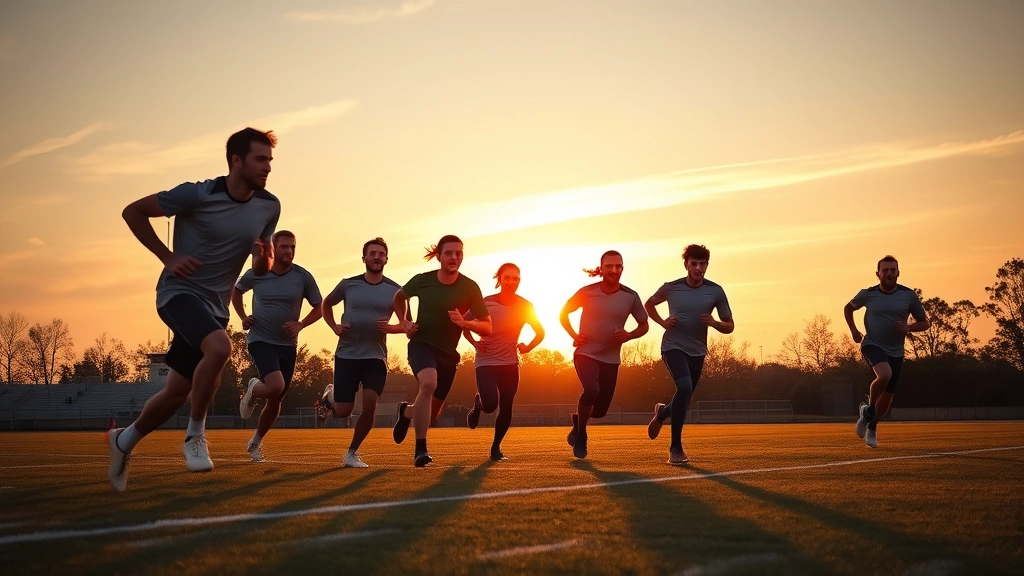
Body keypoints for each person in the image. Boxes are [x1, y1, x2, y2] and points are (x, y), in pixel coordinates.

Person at [110, 128, 280, 492]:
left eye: (269, 160)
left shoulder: (270, 206)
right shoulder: (197, 194)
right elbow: (133, 212)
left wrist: (263, 260)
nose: (267, 167)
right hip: (178, 294)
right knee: (220, 348)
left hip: (215, 308)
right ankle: (195, 436)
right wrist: (167, 256)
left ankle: (123, 440)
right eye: (260, 159)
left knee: (176, 393)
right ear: (236, 160)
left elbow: (261, 267)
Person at [390, 235, 491, 467]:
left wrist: (466, 323)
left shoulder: (470, 287)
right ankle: (420, 450)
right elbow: (398, 298)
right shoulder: (422, 281)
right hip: (422, 344)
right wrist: (404, 322)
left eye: (459, 254)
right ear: (439, 256)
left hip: (448, 354)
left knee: (431, 414)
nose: (454, 257)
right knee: (428, 383)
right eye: (449, 253)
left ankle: (406, 412)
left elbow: (487, 326)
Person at [232, 230, 322, 462]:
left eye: (292, 247)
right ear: (273, 249)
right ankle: (253, 388)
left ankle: (255, 444)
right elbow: (236, 290)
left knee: (276, 399)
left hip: (287, 345)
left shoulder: (303, 276)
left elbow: (319, 307)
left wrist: (300, 324)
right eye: (284, 246)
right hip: (260, 339)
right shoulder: (258, 272)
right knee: (275, 386)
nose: (289, 251)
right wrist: (242, 316)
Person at [316, 237, 407, 468]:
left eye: (381, 254)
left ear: (386, 258)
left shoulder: (396, 291)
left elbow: (407, 324)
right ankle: (330, 398)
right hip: (346, 355)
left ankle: (352, 453)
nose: (377, 257)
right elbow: (326, 304)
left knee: (369, 403)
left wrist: (392, 328)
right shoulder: (348, 284)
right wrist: (334, 326)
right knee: (342, 412)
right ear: (364, 257)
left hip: (375, 357)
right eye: (372, 253)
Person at [644, 244, 733, 464]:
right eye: (694, 263)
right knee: (684, 388)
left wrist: (714, 323)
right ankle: (675, 448)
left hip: (698, 351)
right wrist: (663, 322)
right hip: (672, 347)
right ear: (686, 264)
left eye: (703, 264)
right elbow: (649, 304)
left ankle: (663, 412)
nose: (699, 268)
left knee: (685, 399)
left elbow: (729, 326)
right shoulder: (671, 288)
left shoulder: (715, 291)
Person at [560, 250, 649, 459]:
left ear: (622, 268)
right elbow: (563, 313)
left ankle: (578, 421)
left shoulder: (630, 296)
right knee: (591, 390)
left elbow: (644, 325)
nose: (614, 270)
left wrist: (629, 335)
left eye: (618, 266)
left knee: (599, 412)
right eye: (609, 266)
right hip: (586, 353)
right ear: (602, 269)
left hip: (611, 358)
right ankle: (582, 436)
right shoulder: (587, 292)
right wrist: (574, 334)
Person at [463, 263, 545, 461]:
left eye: (515, 278)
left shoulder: (526, 306)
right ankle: (479, 404)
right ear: (499, 279)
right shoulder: (485, 303)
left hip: (510, 363)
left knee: (506, 406)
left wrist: (528, 347)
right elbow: (464, 325)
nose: (511, 282)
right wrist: (475, 343)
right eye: (507, 277)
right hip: (486, 362)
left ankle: (495, 448)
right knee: (491, 405)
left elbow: (540, 332)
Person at [845, 255, 929, 448]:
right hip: (872, 344)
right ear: (878, 274)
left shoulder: (908, 295)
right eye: (885, 270)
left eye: (893, 270)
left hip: (896, 351)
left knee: (888, 396)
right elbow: (848, 309)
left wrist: (909, 328)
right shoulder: (868, 294)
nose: (889, 273)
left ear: (898, 272)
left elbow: (925, 323)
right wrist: (854, 331)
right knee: (885, 374)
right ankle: (869, 411)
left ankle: (871, 425)